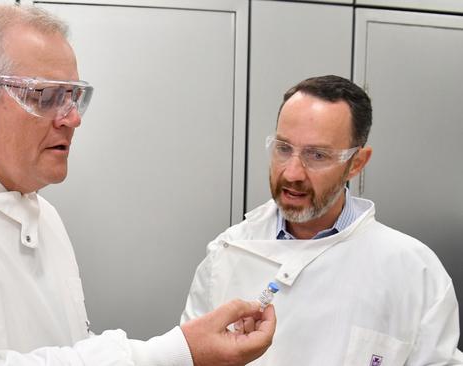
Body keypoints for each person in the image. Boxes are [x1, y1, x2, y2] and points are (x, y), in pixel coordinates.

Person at [0, 4, 275, 366]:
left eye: (74, 95)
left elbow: (67, 347)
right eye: (44, 96)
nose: (72, 117)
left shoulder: (44, 214)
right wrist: (178, 352)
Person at [182, 74, 463, 364]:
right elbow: (188, 358)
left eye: (317, 155)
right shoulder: (228, 253)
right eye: (283, 148)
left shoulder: (415, 272)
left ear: (356, 163)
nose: (292, 173)